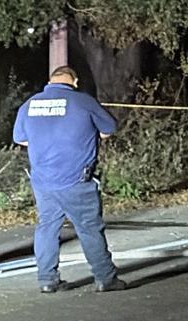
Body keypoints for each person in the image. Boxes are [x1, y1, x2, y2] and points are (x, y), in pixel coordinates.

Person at [13, 66, 126, 294]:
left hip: (43, 181)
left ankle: (47, 280)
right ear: (74, 81)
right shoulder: (83, 101)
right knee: (89, 228)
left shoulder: (30, 104)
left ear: (50, 81)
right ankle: (105, 278)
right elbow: (109, 128)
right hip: (76, 179)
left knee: (47, 227)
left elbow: (21, 139)